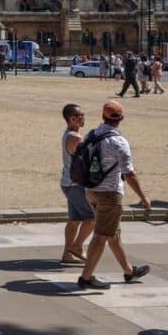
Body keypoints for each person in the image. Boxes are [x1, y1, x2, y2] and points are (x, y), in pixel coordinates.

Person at [78, 100, 152, 289]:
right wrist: (143, 197)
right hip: (110, 194)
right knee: (101, 235)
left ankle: (128, 271)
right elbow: (129, 173)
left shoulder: (92, 134)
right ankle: (86, 277)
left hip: (91, 191)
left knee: (113, 232)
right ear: (122, 119)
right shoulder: (119, 142)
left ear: (103, 116)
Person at [59, 103, 94, 264]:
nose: (83, 118)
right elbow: (83, 161)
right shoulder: (75, 137)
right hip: (75, 184)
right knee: (92, 218)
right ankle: (77, 247)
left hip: (68, 182)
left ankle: (67, 254)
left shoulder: (68, 134)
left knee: (74, 220)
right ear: (72, 119)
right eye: (80, 116)